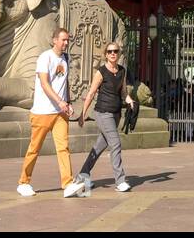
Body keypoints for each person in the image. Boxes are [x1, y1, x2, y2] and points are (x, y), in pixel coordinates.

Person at [18, 28, 78, 198]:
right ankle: (23, 182)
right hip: (42, 112)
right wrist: (60, 101)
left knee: (63, 148)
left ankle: (68, 184)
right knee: (34, 148)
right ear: (54, 40)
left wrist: (67, 103)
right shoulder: (45, 57)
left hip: (60, 113)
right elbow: (44, 84)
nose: (66, 43)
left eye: (67, 40)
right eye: (63, 40)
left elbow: (63, 84)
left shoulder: (66, 58)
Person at [74, 40, 135, 193]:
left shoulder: (122, 71)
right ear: (106, 55)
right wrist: (83, 114)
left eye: (115, 51)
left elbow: (123, 92)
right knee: (115, 143)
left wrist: (130, 101)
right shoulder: (101, 72)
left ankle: (82, 175)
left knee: (99, 146)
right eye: (110, 52)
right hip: (102, 113)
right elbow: (91, 94)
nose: (113, 54)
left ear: (119, 53)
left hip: (115, 114)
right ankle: (120, 181)